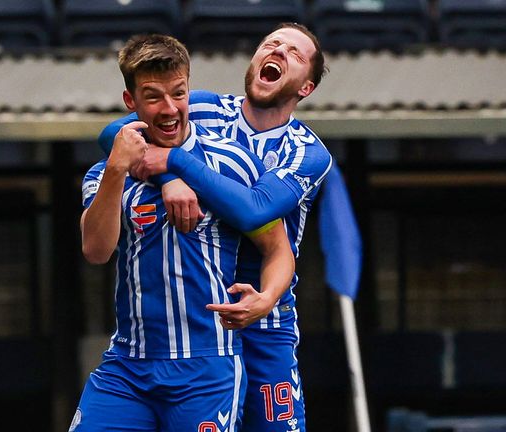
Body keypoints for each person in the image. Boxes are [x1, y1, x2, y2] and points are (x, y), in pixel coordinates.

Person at [99, 23, 334, 432]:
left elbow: (254, 210)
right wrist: (166, 181)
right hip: (197, 321)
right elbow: (115, 134)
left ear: (306, 88)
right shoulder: (205, 106)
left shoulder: (307, 152)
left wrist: (175, 164)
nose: (278, 51)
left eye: (294, 53)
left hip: (263, 315)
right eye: (271, 43)